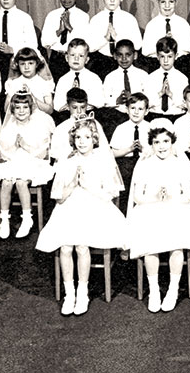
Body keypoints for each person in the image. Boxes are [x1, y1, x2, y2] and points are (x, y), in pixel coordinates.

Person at [35, 116, 126, 316]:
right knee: (66, 246)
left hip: (96, 208)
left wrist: (88, 186)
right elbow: (58, 197)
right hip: (69, 206)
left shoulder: (102, 161)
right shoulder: (68, 162)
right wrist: (71, 185)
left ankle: (83, 291)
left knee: (82, 245)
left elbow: (110, 195)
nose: (82, 141)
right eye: (77, 137)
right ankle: (70, 292)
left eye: (86, 137)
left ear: (94, 139)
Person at [126, 119, 190, 313]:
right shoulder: (144, 165)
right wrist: (154, 198)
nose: (161, 146)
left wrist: (173, 197)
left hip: (177, 208)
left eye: (165, 141)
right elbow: (138, 197)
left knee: (176, 242)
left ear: (172, 142)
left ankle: (173, 288)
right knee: (150, 243)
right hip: (150, 207)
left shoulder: (180, 164)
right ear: (151, 144)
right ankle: (154, 289)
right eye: (157, 142)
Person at [0, 91, 55, 239]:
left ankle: (27, 218)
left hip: (33, 162)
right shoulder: (8, 127)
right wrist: (14, 147)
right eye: (18, 108)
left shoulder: (38, 126)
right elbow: (2, 152)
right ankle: (4, 219)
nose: (21, 111)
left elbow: (43, 153)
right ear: (13, 110)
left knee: (21, 182)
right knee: (7, 182)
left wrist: (25, 145)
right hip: (13, 161)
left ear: (30, 109)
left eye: (25, 107)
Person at [87, 0, 142, 78]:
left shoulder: (129, 19)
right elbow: (90, 47)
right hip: (101, 63)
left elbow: (137, 45)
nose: (112, 0)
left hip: (124, 62)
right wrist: (105, 39)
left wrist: (118, 37)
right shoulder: (96, 20)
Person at [41, 0, 90, 81]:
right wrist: (59, 31)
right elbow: (45, 42)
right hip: (56, 59)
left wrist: (69, 27)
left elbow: (84, 41)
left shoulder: (83, 17)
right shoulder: (52, 15)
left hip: (75, 58)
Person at [110, 93, 151, 214]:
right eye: (133, 108)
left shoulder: (151, 128)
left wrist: (143, 149)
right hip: (126, 166)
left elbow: (157, 151)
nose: (136, 112)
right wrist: (129, 149)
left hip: (145, 165)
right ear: (127, 110)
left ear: (147, 111)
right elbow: (112, 153)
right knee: (125, 196)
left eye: (140, 109)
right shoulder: (121, 128)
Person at [142, 0, 190, 74]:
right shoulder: (151, 25)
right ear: (158, 2)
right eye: (163, 2)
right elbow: (145, 51)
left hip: (180, 65)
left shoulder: (183, 24)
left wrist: (175, 46)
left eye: (171, 2)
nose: (167, 6)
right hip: (156, 65)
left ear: (176, 2)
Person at [101, 39, 148, 137]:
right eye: (120, 55)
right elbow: (104, 100)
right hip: (118, 115)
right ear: (114, 56)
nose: (124, 59)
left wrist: (133, 99)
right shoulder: (110, 77)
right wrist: (116, 101)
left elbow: (149, 97)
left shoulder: (143, 75)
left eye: (128, 55)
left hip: (139, 114)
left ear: (135, 55)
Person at [50, 88, 109, 163]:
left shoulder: (95, 125)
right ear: (67, 106)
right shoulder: (60, 129)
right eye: (74, 107)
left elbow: (104, 150)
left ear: (87, 106)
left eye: (82, 107)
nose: (79, 111)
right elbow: (56, 156)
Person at [52, 38, 104, 117]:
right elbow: (57, 106)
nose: (76, 58)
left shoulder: (94, 78)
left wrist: (83, 106)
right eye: (72, 55)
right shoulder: (62, 80)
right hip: (68, 115)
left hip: (89, 113)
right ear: (66, 58)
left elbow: (100, 102)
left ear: (86, 60)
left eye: (81, 56)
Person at [145, 36, 189, 122]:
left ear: (176, 56)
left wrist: (171, 95)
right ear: (157, 56)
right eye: (162, 56)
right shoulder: (150, 78)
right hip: (155, 116)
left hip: (176, 116)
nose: (165, 61)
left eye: (169, 56)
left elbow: (185, 104)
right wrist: (160, 94)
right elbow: (146, 103)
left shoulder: (182, 78)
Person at [4, 47, 55, 115]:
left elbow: (50, 110)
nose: (26, 67)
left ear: (36, 64)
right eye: (22, 64)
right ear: (17, 65)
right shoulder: (13, 83)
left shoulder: (44, 83)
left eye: (30, 63)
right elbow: (6, 109)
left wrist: (33, 98)